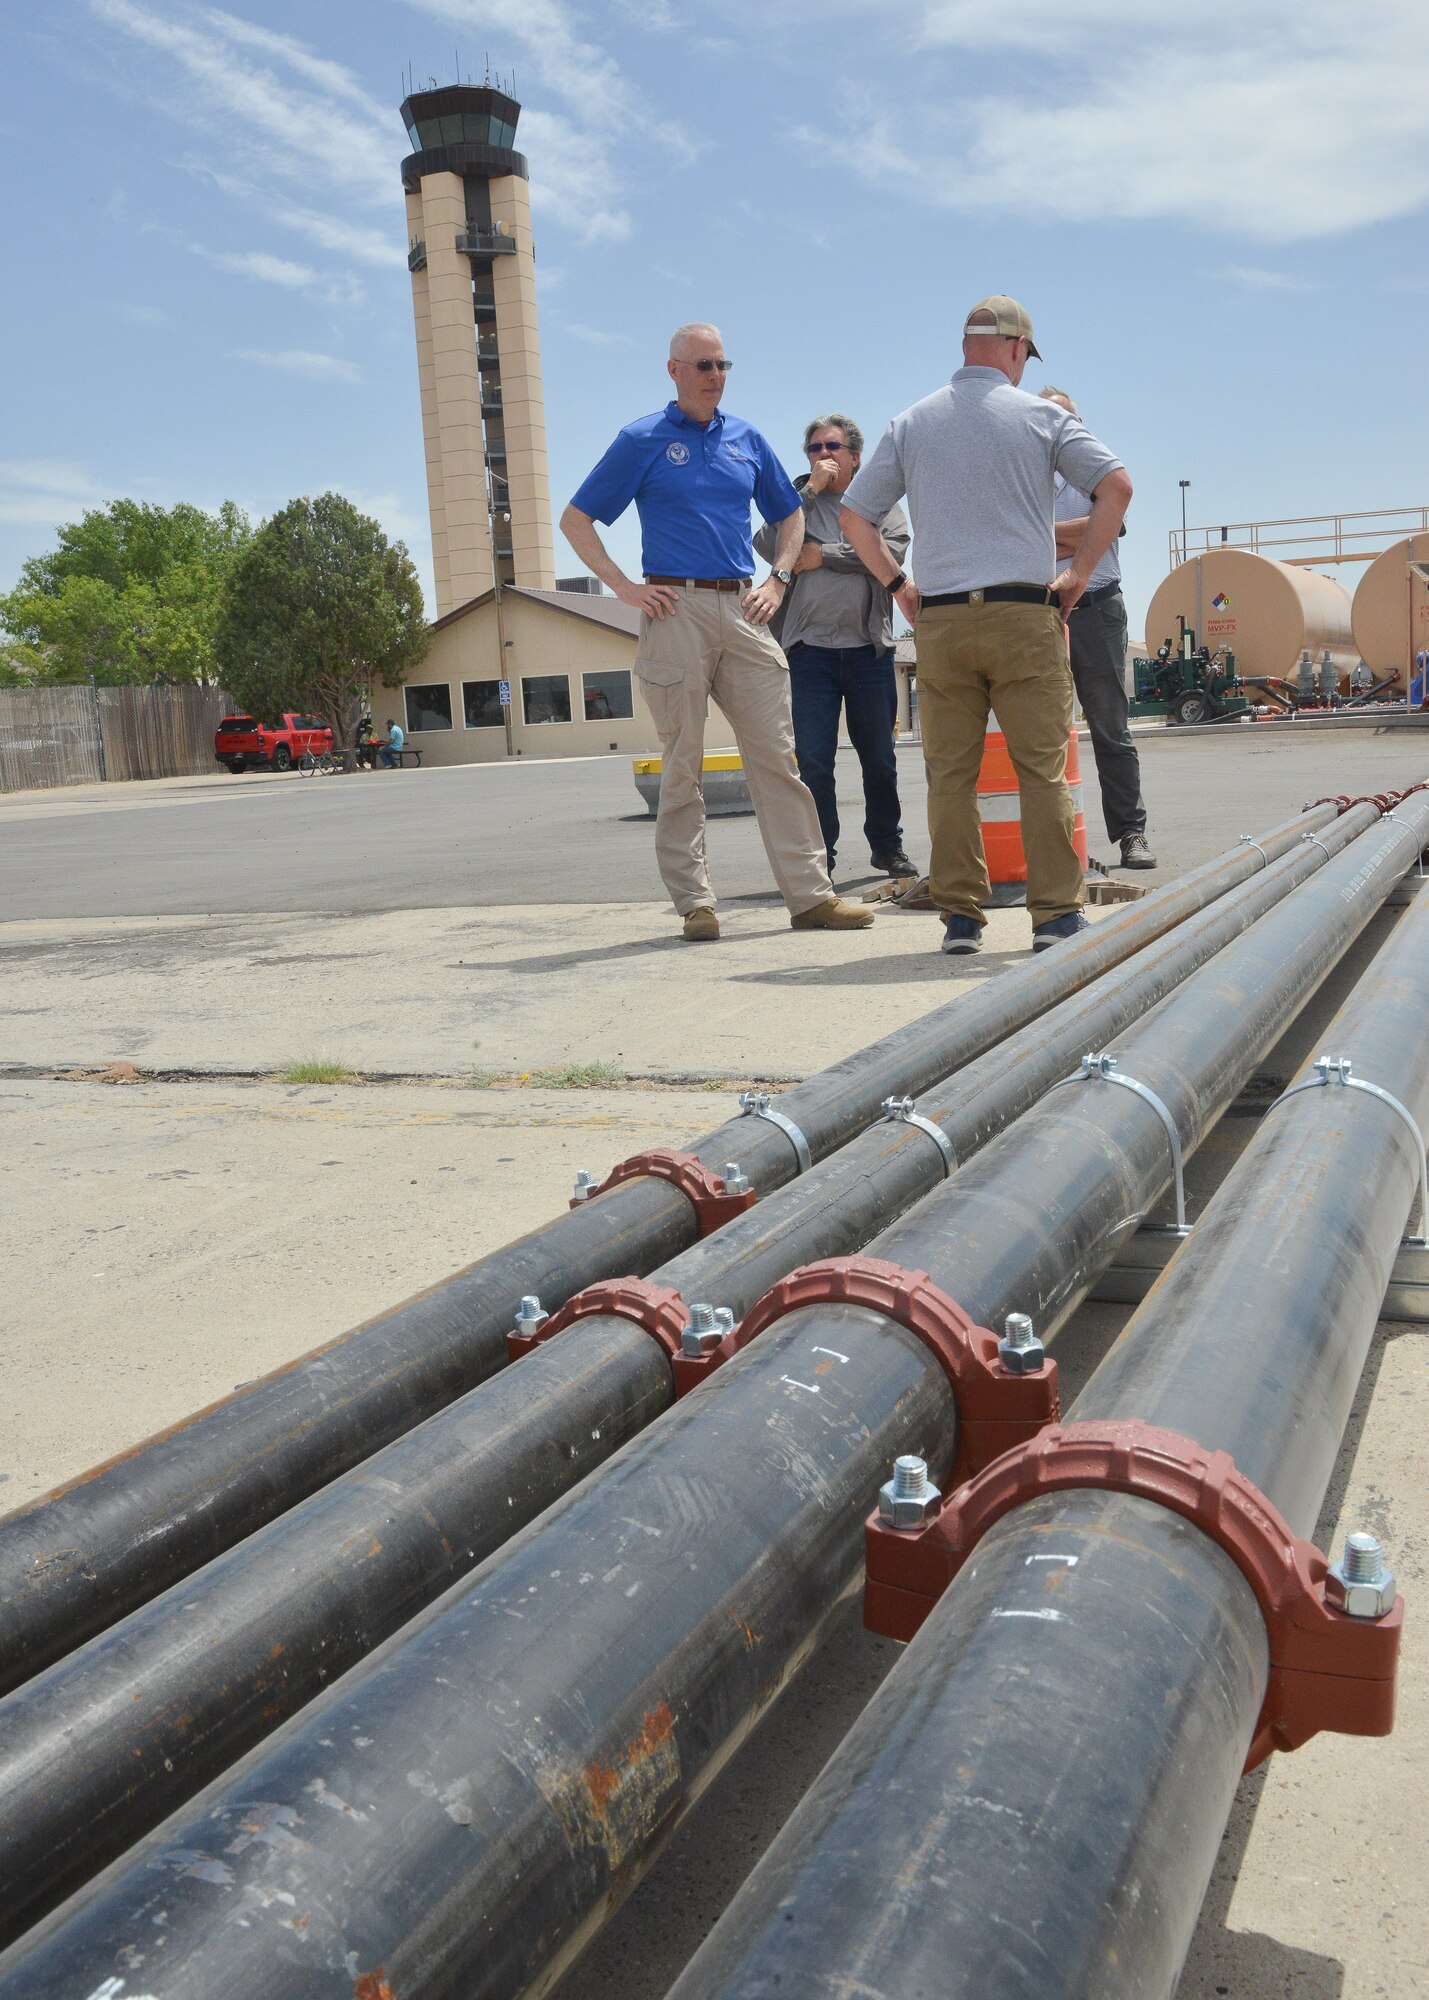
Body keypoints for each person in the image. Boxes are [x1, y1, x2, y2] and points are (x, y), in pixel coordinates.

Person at [559, 322, 872, 941]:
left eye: (722, 365)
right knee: (683, 763)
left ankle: (811, 897)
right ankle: (696, 905)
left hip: (743, 608)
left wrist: (779, 577)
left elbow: (787, 512)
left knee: (778, 758)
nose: (714, 377)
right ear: (673, 371)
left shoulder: (747, 439)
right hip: (673, 609)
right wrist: (624, 589)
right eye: (702, 366)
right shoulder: (641, 440)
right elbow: (576, 520)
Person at [840, 295, 1132, 956]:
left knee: (950, 775)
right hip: (1024, 614)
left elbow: (856, 517)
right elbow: (1116, 486)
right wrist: (1079, 572)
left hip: (939, 619)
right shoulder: (1038, 417)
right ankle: (1055, 916)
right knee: (1040, 772)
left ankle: (962, 919)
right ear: (1012, 348)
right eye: (1025, 356)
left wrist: (898, 586)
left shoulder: (911, 422)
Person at [754, 416, 916, 879]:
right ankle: (819, 857)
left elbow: (889, 554)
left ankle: (888, 848)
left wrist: (820, 555)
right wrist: (802, 494)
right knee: (814, 764)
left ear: (855, 456)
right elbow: (767, 543)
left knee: (879, 761)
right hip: (809, 653)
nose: (823, 454)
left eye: (833, 446)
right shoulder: (793, 504)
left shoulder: (876, 501)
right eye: (814, 447)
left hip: (869, 652)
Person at [1039, 388, 1154, 869]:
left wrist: (1046, 536)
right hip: (1043, 613)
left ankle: (1131, 834)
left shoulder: (1097, 474)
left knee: (1110, 729)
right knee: (1041, 735)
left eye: (1070, 420)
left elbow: (1110, 525)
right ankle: (1054, 844)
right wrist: (1085, 533)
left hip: (1099, 612)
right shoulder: (1026, 481)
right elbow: (1017, 544)